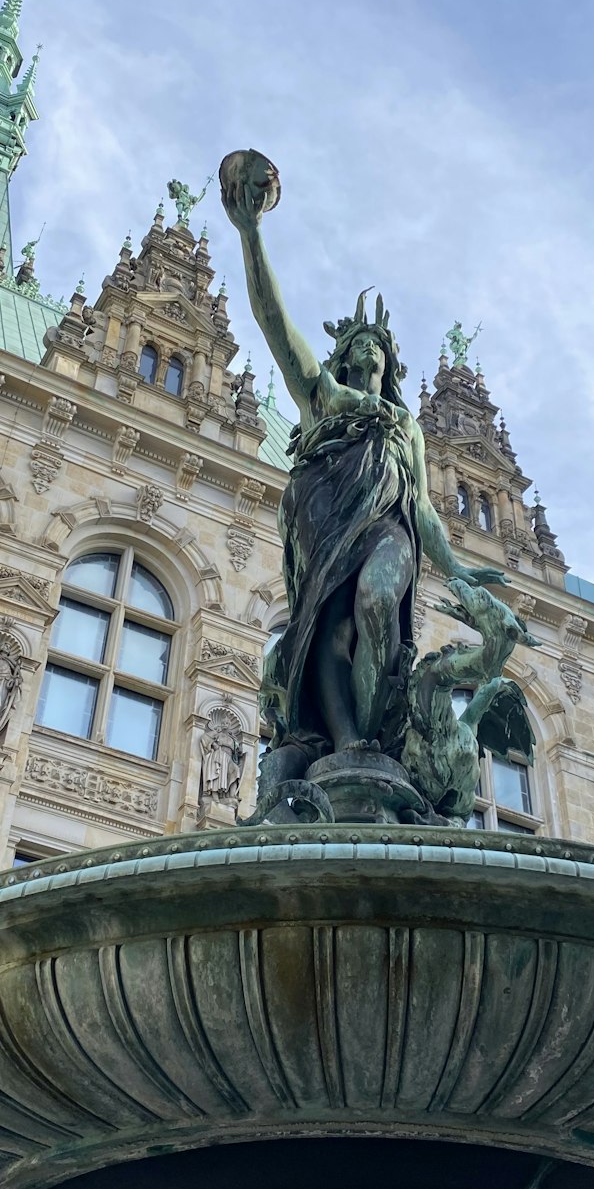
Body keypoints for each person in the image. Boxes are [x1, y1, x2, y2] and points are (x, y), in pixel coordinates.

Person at [220, 149, 506, 776]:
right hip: (325, 530)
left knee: (379, 600)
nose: (369, 353)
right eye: (360, 344)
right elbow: (274, 321)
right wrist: (251, 234)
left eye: (379, 347)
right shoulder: (321, 397)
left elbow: (426, 508)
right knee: (327, 630)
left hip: (388, 528)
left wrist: (457, 570)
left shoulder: (405, 425)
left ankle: (381, 728)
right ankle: (350, 741)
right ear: (345, 354)